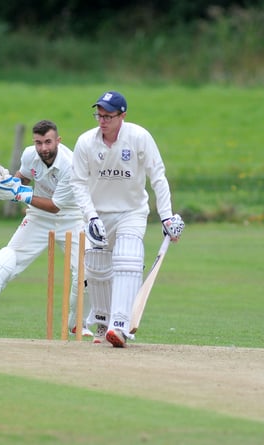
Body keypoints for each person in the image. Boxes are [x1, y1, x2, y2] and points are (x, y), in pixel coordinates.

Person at [0, 119, 91, 336]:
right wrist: (6, 185)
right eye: (39, 143)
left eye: (48, 142)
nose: (43, 148)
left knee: (86, 271)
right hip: (39, 217)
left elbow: (55, 206)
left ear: (58, 141)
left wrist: (19, 194)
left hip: (71, 217)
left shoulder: (70, 165)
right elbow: (23, 179)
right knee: (7, 257)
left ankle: (77, 322)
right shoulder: (30, 154)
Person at [70, 90, 185, 347]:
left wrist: (166, 217)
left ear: (122, 116)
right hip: (97, 212)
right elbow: (77, 183)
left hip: (131, 211)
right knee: (97, 267)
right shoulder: (85, 142)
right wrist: (90, 217)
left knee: (128, 259)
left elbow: (158, 176)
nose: (102, 121)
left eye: (108, 116)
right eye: (98, 115)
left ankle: (119, 326)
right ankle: (102, 323)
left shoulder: (139, 137)